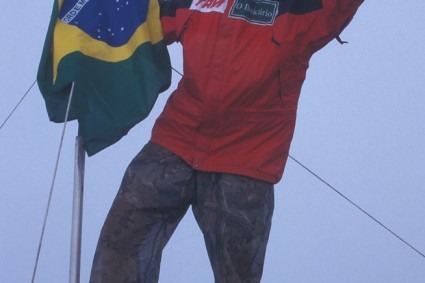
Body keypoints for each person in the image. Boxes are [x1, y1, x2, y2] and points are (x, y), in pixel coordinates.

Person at [90, 0, 364, 282]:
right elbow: (139, 13)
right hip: (174, 142)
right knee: (119, 248)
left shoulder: (303, 8)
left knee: (238, 275)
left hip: (246, 161)